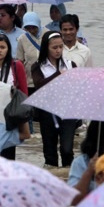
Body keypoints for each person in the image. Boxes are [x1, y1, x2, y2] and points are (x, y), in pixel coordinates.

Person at [31, 31, 77, 169]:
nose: (58, 51)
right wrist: (58, 75)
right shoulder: (38, 66)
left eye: (61, 47)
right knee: (50, 152)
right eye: (54, 47)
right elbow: (39, 85)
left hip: (68, 111)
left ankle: (69, 178)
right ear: (46, 48)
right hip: (47, 112)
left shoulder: (70, 65)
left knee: (67, 149)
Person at [16, 12, 43, 99]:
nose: (31, 30)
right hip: (29, 82)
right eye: (28, 28)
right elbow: (19, 60)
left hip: (45, 80)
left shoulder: (47, 34)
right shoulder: (22, 39)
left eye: (34, 27)